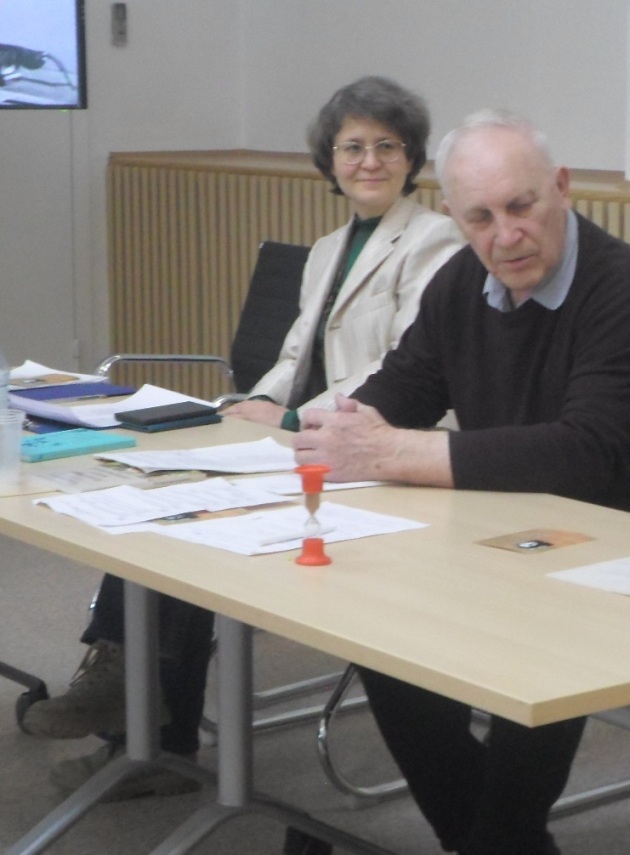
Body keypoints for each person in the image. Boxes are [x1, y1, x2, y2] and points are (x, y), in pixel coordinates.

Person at [290, 109, 630, 855]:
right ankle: (498, 840)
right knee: (380, 629)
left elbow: (586, 453)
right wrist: (339, 432)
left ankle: (499, 838)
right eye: (480, 218)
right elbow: (405, 386)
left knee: (535, 645)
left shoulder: (626, 285)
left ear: (562, 188)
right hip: (509, 528)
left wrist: (389, 453)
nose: (506, 236)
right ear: (455, 218)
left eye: (521, 207)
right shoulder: (463, 280)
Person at [22, 75, 463, 801]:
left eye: (387, 146)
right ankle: (127, 690)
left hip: (374, 445)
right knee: (154, 501)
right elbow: (293, 358)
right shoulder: (328, 248)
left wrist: (290, 421)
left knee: (198, 523)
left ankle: (150, 729)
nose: (370, 161)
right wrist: (251, 404)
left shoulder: (434, 240)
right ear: (330, 161)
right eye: (353, 147)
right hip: (298, 439)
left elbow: (402, 368)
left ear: (412, 157)